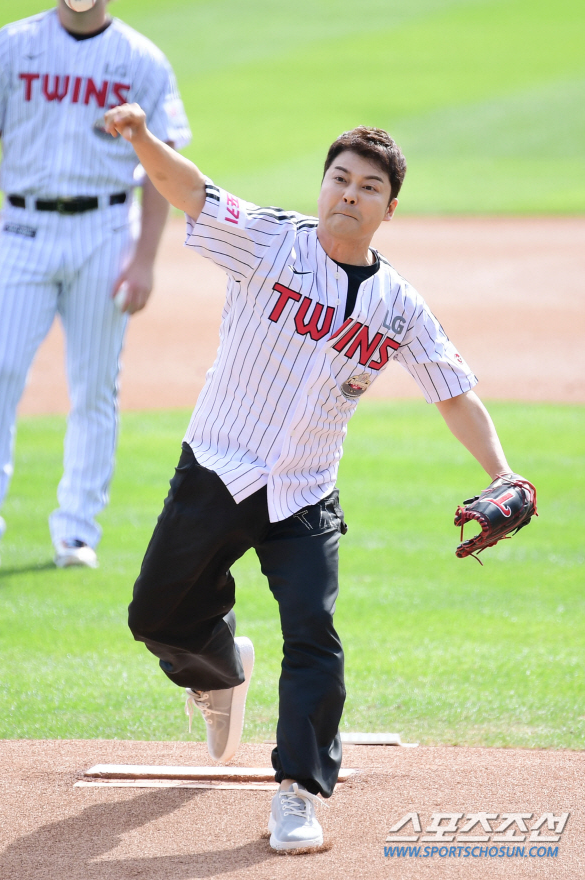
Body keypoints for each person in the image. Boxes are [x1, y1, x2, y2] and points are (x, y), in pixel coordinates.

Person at [103, 102, 523, 852]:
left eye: (367, 186)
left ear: (389, 209)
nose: (348, 194)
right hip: (218, 467)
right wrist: (141, 139)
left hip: (305, 493)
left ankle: (297, 793)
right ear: (321, 184)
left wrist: (502, 471)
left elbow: (453, 391)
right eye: (339, 178)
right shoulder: (270, 241)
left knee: (315, 638)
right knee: (155, 618)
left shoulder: (398, 304)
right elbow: (191, 191)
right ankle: (222, 668)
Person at [0, 0, 191, 573]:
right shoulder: (13, 45)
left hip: (106, 232)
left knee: (95, 386)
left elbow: (162, 167)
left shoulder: (142, 59)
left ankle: (76, 532)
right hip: (21, 230)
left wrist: (147, 259)